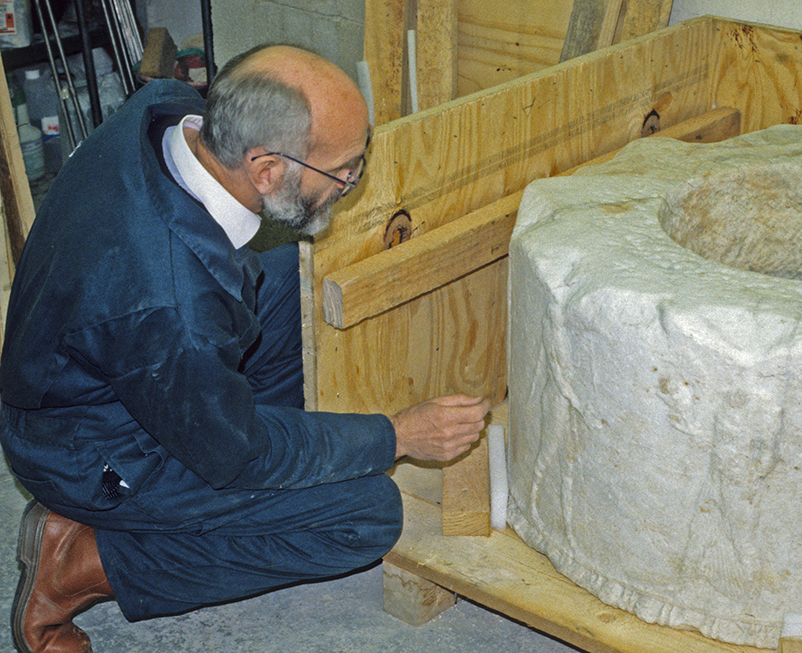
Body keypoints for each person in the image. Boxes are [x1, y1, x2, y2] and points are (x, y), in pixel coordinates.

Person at [0, 44, 490, 653]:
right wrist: (395, 436)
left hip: (118, 370)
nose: (349, 185)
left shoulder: (163, 109)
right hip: (90, 449)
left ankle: (177, 502)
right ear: (264, 170)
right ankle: (82, 564)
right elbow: (239, 454)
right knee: (364, 515)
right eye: (344, 172)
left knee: (293, 279)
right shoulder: (169, 301)